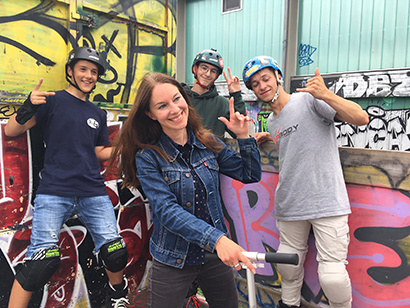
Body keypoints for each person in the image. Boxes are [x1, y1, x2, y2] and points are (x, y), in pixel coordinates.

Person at [109, 72, 261, 308]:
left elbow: (249, 175)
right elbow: (166, 211)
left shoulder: (209, 142)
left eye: (177, 98)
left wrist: (243, 136)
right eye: (162, 106)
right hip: (172, 257)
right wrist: (218, 239)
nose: (174, 109)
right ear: (150, 114)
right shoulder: (148, 157)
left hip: (213, 257)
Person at [5, 47, 129, 308]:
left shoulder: (97, 113)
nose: (89, 76)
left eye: (94, 72)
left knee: (115, 251)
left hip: (93, 192)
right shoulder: (53, 101)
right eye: (83, 69)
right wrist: (28, 105)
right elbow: (11, 130)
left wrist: (126, 145)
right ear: (70, 71)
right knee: (41, 261)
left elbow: (98, 153)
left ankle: (118, 297)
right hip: (54, 191)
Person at [242, 56, 369, 308]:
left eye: (265, 78)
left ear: (278, 76)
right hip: (290, 204)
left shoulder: (309, 100)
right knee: (288, 267)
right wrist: (266, 137)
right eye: (255, 83)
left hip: (326, 201)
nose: (262, 86)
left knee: (331, 276)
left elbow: (361, 118)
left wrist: (326, 95)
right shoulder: (273, 121)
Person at [183, 48, 247, 139]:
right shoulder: (180, 97)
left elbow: (239, 131)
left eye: (213, 71)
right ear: (195, 68)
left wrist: (236, 95)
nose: (208, 74)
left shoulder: (222, 104)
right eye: (204, 68)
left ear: (216, 76)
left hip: (213, 153)